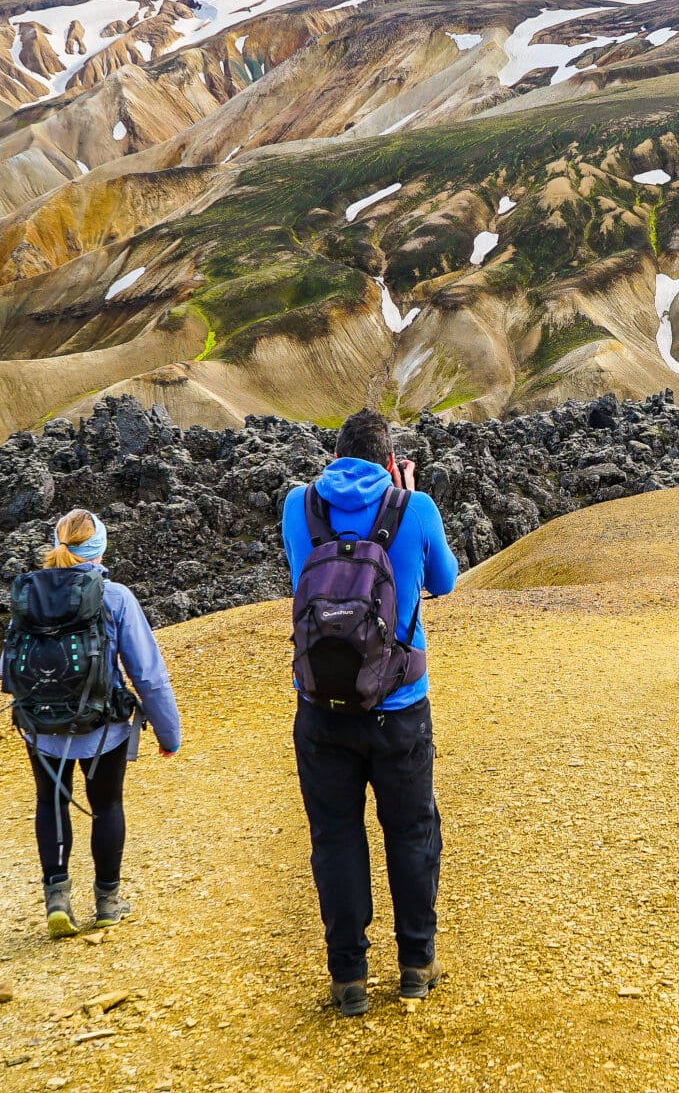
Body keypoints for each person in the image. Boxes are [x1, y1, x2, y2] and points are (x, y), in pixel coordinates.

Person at [282, 409, 459, 1017]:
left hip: (321, 708)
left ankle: (348, 979)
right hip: (400, 707)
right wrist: (406, 498)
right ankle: (415, 964)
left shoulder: (298, 507)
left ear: (334, 458)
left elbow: (302, 571)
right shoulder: (417, 509)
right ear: (390, 461)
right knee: (410, 833)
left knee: (335, 837)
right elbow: (445, 580)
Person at [21, 509, 182, 936]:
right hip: (102, 728)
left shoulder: (29, 594)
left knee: (50, 803)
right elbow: (148, 675)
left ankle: (57, 899)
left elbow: (10, 665)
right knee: (107, 805)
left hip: (41, 728)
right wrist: (169, 734)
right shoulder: (115, 596)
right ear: (101, 547)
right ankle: (107, 902)